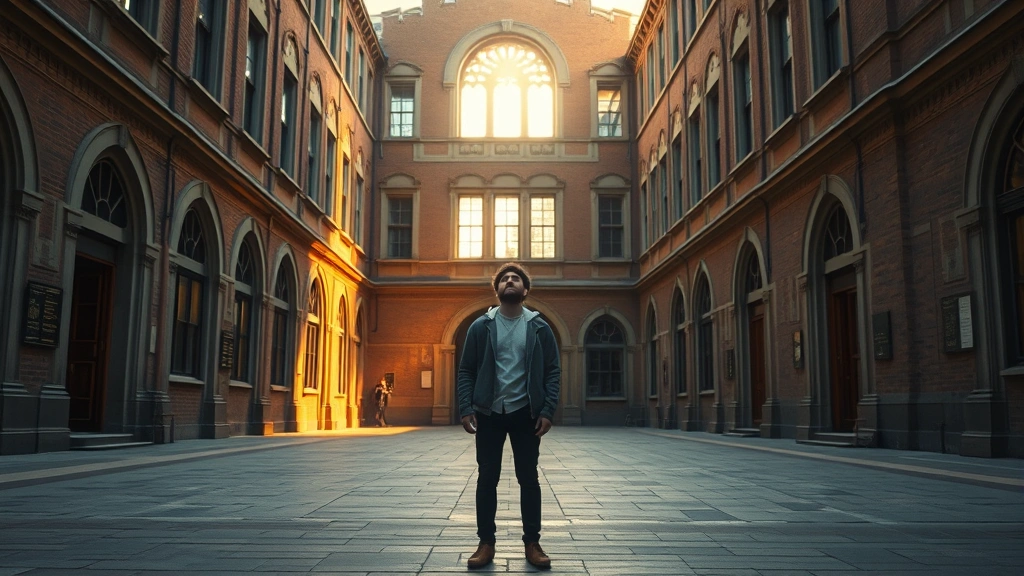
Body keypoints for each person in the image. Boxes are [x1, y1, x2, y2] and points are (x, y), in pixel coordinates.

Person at [457, 262, 561, 570]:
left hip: (525, 414)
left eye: (516, 278)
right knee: (487, 478)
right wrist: (466, 407)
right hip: (489, 413)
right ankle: (485, 543)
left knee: (528, 479)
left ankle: (532, 543)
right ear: (498, 289)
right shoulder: (482, 326)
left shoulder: (539, 327)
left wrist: (547, 410)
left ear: (525, 290)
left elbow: (553, 372)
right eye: (505, 278)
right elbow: (466, 370)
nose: (510, 281)